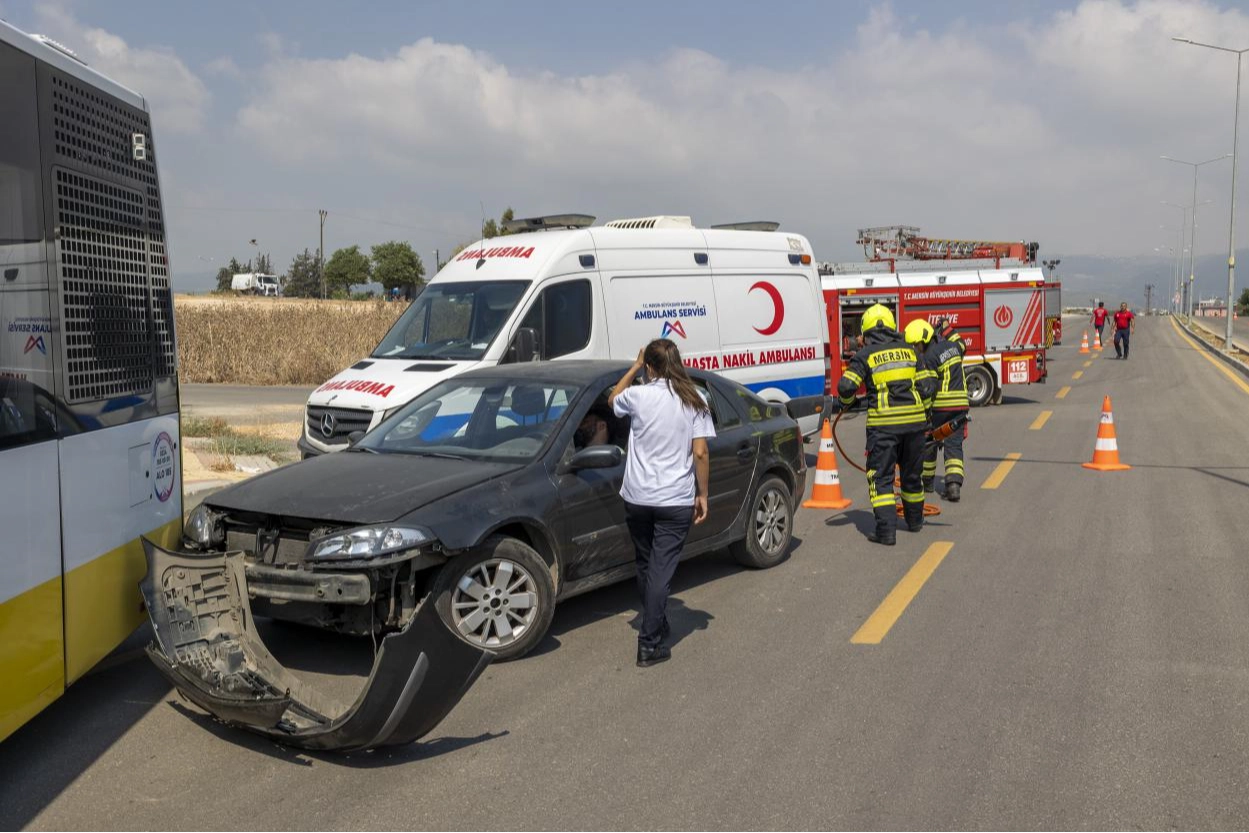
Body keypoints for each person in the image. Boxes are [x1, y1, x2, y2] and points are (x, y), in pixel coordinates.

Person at [609, 339, 714, 667]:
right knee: (660, 571)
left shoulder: (638, 396)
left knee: (645, 564)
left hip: (637, 497)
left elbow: (612, 399)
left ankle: (655, 620)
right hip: (673, 500)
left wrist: (635, 367)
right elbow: (700, 452)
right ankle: (649, 642)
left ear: (651, 367)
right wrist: (703, 494)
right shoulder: (695, 399)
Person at [836, 304, 935, 546]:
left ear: (867, 330)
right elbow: (927, 389)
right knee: (912, 476)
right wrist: (924, 418)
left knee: (881, 478)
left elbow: (846, 388)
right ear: (891, 327)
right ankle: (915, 522)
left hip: (884, 428)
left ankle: (886, 532)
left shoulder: (865, 355)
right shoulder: (910, 351)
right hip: (914, 426)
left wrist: (848, 403)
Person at [908, 318, 969, 502]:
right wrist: (948, 328)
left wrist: (924, 413)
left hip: (940, 407)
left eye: (916, 345)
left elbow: (929, 388)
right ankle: (953, 487)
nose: (916, 349)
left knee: (930, 443)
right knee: (954, 445)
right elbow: (962, 343)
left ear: (924, 341)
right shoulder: (954, 347)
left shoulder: (928, 358)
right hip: (960, 406)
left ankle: (927, 483)